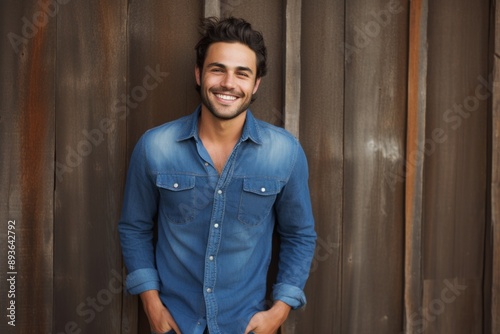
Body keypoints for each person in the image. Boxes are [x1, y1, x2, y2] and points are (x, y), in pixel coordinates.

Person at [118, 17, 316, 334]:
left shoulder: (284, 152)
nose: (228, 83)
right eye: (217, 69)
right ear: (199, 74)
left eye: (242, 73)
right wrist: (151, 305)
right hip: (175, 324)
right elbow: (134, 227)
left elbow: (299, 236)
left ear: (256, 85)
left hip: (246, 324)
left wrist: (278, 312)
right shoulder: (155, 146)